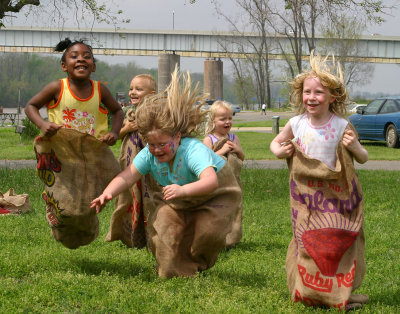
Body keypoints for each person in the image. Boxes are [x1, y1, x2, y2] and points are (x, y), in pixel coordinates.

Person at [91, 68, 241, 278]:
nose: (157, 150)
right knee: (165, 229)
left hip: (214, 195)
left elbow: (210, 181)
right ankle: (175, 269)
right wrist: (107, 193)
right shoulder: (149, 154)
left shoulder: (193, 150)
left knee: (206, 234)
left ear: (178, 137)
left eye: (163, 144)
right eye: (152, 144)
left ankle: (196, 260)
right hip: (179, 196)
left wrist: (182, 189)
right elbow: (127, 176)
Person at [270, 52, 368, 310]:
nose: (311, 98)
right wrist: (279, 151)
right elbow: (276, 143)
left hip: (336, 197)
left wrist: (355, 146)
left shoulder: (341, 125)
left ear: (332, 97)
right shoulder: (297, 123)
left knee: (334, 244)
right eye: (307, 92)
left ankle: (337, 294)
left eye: (318, 93)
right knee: (305, 241)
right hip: (306, 197)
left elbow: (364, 158)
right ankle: (308, 289)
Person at [25, 38, 123, 144]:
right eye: (74, 56)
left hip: (93, 153)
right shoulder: (57, 87)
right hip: (60, 152)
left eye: (87, 57)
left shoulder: (100, 90)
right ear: (64, 66)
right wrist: (42, 124)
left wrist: (114, 132)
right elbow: (30, 106)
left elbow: (117, 111)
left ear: (93, 67)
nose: (81, 59)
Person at [106, 74, 156, 248]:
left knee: (148, 200)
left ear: (152, 94)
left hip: (148, 168)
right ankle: (130, 236)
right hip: (129, 166)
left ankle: (151, 236)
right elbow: (115, 136)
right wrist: (127, 128)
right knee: (129, 199)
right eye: (131, 88)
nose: (133, 92)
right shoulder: (130, 114)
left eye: (139, 89)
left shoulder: (154, 115)